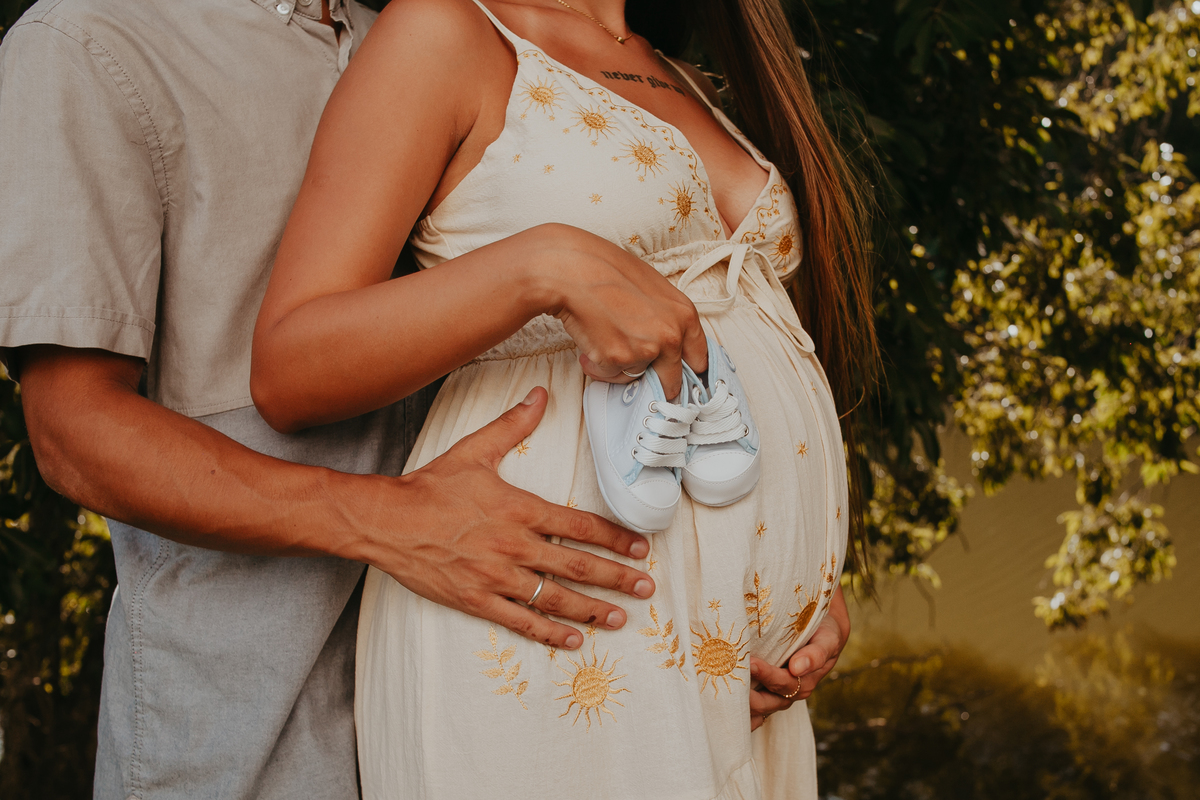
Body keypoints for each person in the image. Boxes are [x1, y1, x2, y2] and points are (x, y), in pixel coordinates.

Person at [0, 0, 844, 796]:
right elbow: (74, 432)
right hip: (258, 690)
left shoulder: (435, 33)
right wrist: (394, 519)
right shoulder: (92, 41)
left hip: (552, 623)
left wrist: (775, 566)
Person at [251, 0, 872, 797]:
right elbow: (292, 365)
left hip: (736, 670)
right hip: (563, 616)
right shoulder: (445, 30)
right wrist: (543, 266)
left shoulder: (680, 68)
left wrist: (797, 569)